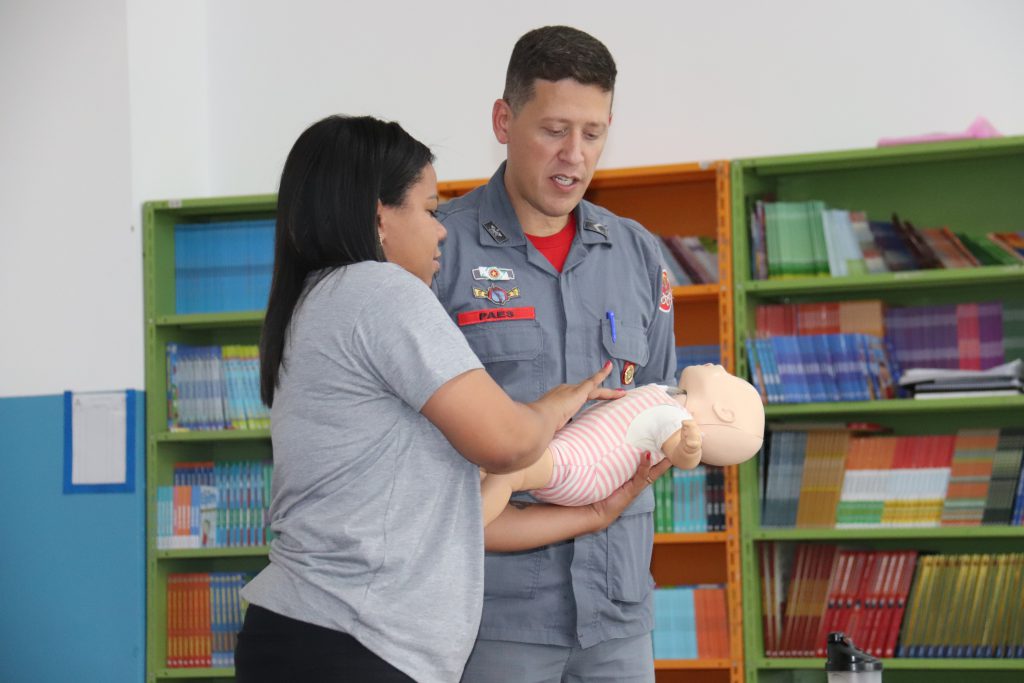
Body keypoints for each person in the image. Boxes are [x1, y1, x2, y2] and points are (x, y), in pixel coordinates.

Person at [233, 114, 666, 683]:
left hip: (316, 633)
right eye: (429, 210)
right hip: (356, 641)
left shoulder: (320, 299)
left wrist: (593, 515)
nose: (441, 232)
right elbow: (509, 443)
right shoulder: (382, 291)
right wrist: (558, 406)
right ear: (379, 217)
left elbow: (459, 518)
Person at [433, 24, 678, 683]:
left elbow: (659, 397)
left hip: (618, 610)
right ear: (504, 121)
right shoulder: (440, 252)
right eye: (554, 130)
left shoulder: (638, 254)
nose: (574, 155)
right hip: (495, 614)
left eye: (593, 133)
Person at [481, 364, 765, 524]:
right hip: (573, 449)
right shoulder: (667, 393)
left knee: (511, 472)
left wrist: (690, 450)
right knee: (497, 463)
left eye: (727, 378)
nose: (720, 367)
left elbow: (680, 457)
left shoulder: (677, 419)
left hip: (584, 465)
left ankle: (468, 525)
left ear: (724, 413)